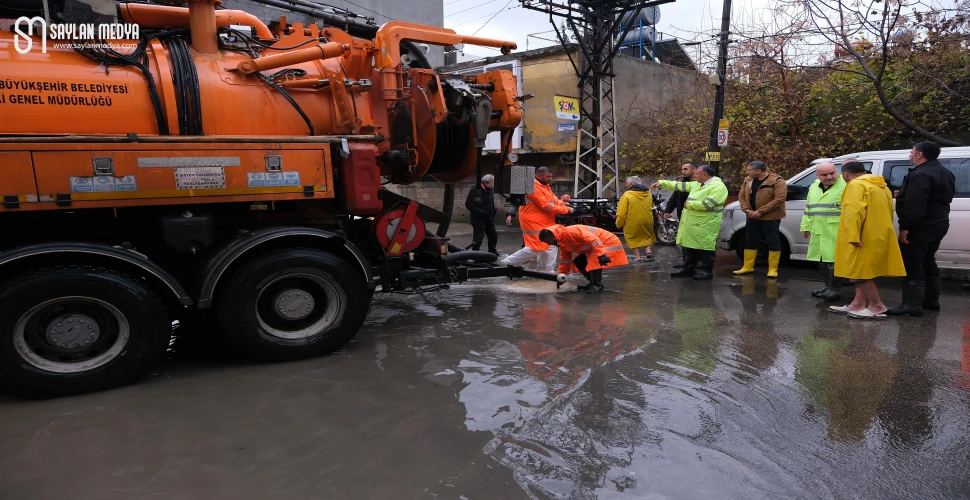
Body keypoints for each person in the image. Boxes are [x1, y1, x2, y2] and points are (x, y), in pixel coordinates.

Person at [886, 141, 956, 316]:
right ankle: (930, 301)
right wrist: (903, 193)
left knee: (912, 262)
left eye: (911, 152)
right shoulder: (945, 172)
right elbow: (937, 196)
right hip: (939, 222)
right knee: (927, 259)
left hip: (921, 225)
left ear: (920, 155)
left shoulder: (921, 174)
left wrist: (905, 227)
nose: (909, 155)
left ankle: (911, 305)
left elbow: (915, 205)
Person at [829, 161, 906, 319]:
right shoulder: (881, 186)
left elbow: (854, 211)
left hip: (862, 235)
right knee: (866, 271)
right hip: (878, 234)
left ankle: (877, 306)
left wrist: (853, 235)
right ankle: (857, 304)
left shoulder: (856, 185)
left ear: (846, 174)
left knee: (857, 273)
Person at [650, 164, 728, 280]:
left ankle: (706, 272)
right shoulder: (699, 184)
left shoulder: (718, 187)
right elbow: (680, 185)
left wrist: (690, 204)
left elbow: (709, 204)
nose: (695, 176)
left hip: (706, 223)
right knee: (690, 246)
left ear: (704, 175)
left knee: (706, 247)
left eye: (697, 173)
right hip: (693, 222)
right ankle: (688, 269)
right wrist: (662, 183)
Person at [502, 167, 575, 272]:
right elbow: (546, 205)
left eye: (551, 176)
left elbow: (553, 199)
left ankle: (546, 271)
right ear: (538, 176)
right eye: (548, 176)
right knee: (535, 247)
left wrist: (563, 204)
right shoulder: (534, 187)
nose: (550, 179)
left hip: (544, 221)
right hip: (533, 221)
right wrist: (567, 210)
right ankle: (506, 263)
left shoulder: (544, 186)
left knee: (550, 245)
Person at [800, 162, 847, 300]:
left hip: (836, 230)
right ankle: (827, 286)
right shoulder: (814, 187)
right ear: (817, 175)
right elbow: (809, 208)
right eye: (824, 174)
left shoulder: (845, 185)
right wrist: (805, 226)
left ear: (837, 171)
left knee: (834, 261)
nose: (829, 177)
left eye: (832, 173)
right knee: (822, 260)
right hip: (818, 229)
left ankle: (835, 289)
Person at [733, 160, 788, 278]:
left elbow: (779, 199)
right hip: (751, 215)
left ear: (758, 171)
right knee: (750, 240)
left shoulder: (777, 180)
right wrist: (747, 211)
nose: (747, 172)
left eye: (749, 170)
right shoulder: (748, 180)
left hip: (771, 217)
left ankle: (773, 269)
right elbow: (741, 196)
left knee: (772, 240)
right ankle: (747, 267)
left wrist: (760, 211)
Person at [538, 224, 629, 292]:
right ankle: (592, 283)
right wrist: (561, 276)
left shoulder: (571, 232)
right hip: (597, 245)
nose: (548, 244)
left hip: (607, 242)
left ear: (552, 237)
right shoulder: (562, 242)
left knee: (594, 261)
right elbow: (565, 261)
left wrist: (601, 254)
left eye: (547, 241)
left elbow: (593, 239)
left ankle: (597, 285)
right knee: (579, 261)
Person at [663, 162, 697, 269]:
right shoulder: (682, 183)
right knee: (683, 239)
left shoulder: (700, 184)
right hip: (682, 215)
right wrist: (667, 211)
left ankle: (696, 262)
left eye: (685, 169)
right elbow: (674, 198)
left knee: (695, 240)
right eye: (682, 169)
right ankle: (686, 261)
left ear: (694, 169)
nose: (683, 171)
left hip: (696, 217)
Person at [615, 176, 656, 261]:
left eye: (627, 183)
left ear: (631, 184)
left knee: (631, 237)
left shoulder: (627, 195)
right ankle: (648, 250)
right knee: (647, 235)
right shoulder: (648, 193)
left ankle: (638, 256)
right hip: (647, 220)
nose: (626, 185)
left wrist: (618, 223)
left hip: (632, 221)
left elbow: (621, 213)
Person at [464, 174, 499, 256]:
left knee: (493, 235)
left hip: (489, 218)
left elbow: (491, 202)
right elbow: (468, 203)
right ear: (489, 182)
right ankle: (475, 253)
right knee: (478, 238)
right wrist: (481, 212)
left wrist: (493, 212)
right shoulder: (476, 189)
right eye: (494, 182)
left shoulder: (489, 189)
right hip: (478, 219)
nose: (494, 184)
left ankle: (492, 251)